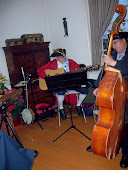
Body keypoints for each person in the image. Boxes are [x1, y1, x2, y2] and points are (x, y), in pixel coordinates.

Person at [86, 32, 128, 169]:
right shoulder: (113, 55)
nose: (114, 46)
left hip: (126, 94)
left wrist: (113, 62)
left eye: (116, 42)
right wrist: (99, 87)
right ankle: (102, 141)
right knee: (108, 119)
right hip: (114, 93)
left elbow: (125, 69)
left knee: (125, 123)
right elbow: (103, 73)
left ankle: (126, 154)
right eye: (112, 43)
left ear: (124, 40)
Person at [37, 48, 88, 120]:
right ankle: (61, 108)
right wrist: (47, 78)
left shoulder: (71, 62)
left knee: (85, 89)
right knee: (61, 91)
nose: (63, 59)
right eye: (61, 57)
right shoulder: (52, 64)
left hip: (72, 84)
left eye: (64, 57)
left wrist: (79, 72)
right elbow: (39, 71)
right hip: (60, 85)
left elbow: (78, 72)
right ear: (56, 58)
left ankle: (78, 105)